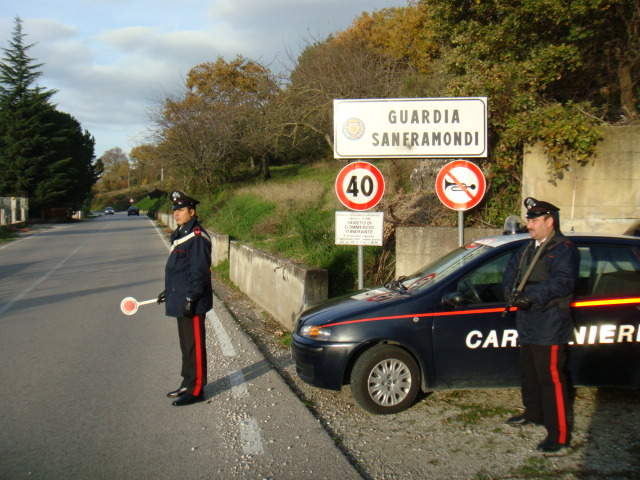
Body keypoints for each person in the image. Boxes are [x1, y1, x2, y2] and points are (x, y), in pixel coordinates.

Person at [502, 197, 580, 452]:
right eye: (529, 219)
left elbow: (562, 282)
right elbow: (510, 273)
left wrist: (529, 297)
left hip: (550, 322)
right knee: (529, 373)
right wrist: (510, 295)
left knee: (551, 379)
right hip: (527, 320)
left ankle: (558, 434)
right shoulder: (527, 248)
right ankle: (533, 413)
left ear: (550, 221)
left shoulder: (565, 249)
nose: (530, 224)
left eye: (534, 220)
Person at [157, 191, 213, 407]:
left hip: (193, 301)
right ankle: (187, 381)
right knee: (185, 344)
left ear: (192, 212)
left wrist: (190, 297)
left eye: (181, 210)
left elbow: (199, 272)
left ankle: (197, 389)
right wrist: (168, 290)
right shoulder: (180, 234)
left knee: (195, 346)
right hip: (179, 298)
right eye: (175, 210)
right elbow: (178, 269)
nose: (176, 214)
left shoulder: (197, 237)